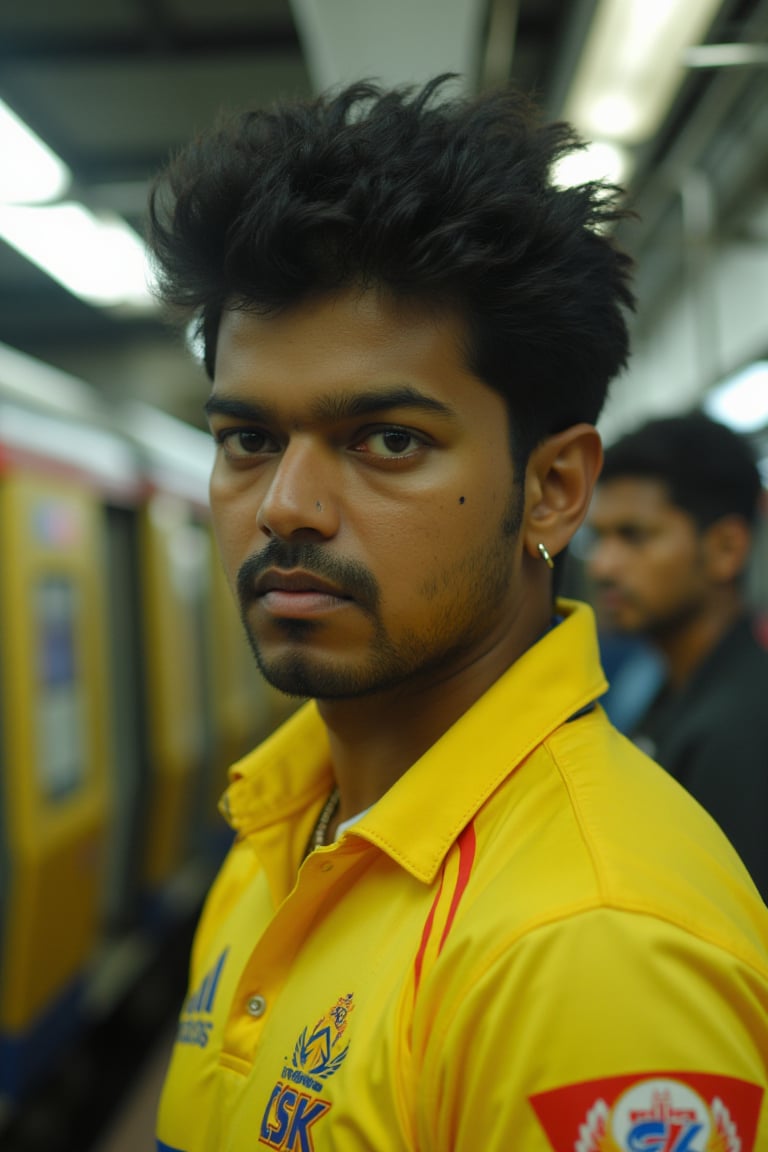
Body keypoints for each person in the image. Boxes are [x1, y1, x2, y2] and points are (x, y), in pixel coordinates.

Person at [147, 79, 768, 1152]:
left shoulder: (592, 947)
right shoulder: (285, 829)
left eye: (387, 440)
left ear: (555, 489)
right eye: (248, 439)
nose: (285, 504)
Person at [586, 412, 768, 902]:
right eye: (598, 538)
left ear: (726, 549)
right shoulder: (673, 691)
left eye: (635, 536)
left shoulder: (743, 727)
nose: (603, 565)